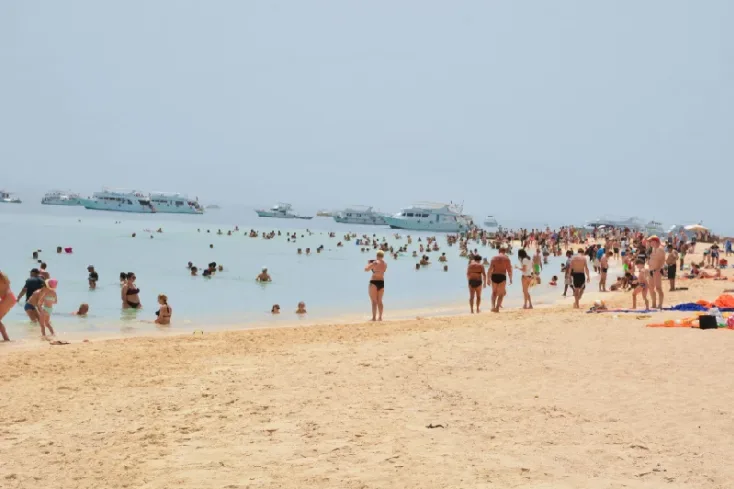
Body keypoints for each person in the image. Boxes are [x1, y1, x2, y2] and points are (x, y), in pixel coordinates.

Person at [487, 245, 512, 313]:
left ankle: (492, 307)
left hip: (494, 276)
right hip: (502, 276)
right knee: (501, 294)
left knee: (494, 292)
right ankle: (497, 308)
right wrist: (510, 279)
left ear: (499, 251)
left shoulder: (494, 258)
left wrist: (488, 279)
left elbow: (490, 269)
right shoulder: (507, 259)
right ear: (505, 251)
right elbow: (509, 270)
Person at [365, 250, 387, 321]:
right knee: (380, 301)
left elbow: (366, 269)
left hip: (374, 282)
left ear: (377, 255)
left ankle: (374, 318)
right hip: (381, 282)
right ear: (383, 256)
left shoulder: (375, 262)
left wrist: (369, 263)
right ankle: (380, 317)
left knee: (374, 301)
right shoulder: (385, 264)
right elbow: (382, 271)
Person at [647, 236, 665, 309]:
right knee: (651, 288)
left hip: (657, 270)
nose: (650, 243)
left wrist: (658, 269)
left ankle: (660, 304)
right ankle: (654, 304)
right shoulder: (654, 249)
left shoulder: (660, 249)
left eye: (651, 241)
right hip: (651, 270)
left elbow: (662, 260)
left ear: (655, 241)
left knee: (658, 288)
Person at [0, 271, 16, 341]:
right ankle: (6, 338)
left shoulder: (2, 278)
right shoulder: (3, 277)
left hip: (8, 298)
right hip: (10, 297)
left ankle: (6, 338)